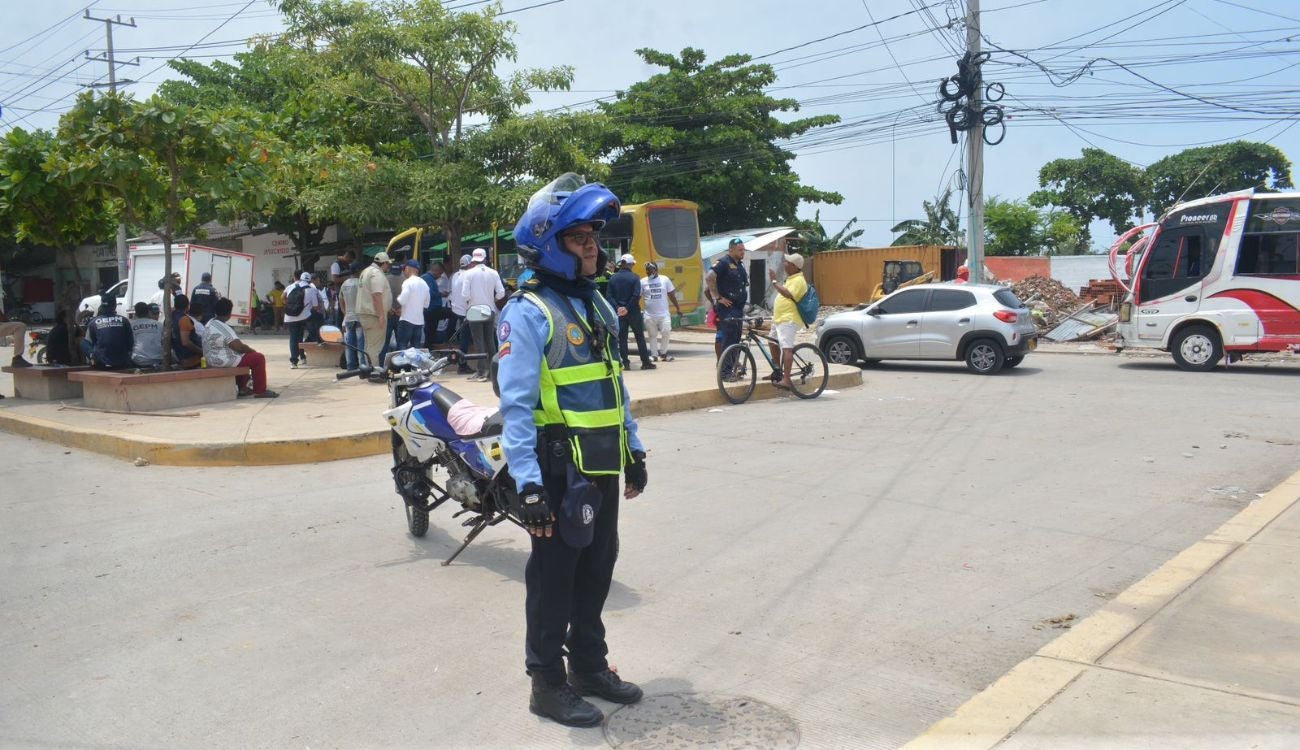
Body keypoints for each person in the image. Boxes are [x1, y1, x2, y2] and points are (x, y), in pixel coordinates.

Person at [496, 174, 648, 727]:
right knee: (554, 579)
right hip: (557, 470)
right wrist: (528, 482)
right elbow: (514, 405)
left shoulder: (597, 305)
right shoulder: (528, 312)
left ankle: (589, 667)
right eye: (578, 237)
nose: (593, 245)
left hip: (601, 463)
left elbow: (614, 382)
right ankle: (546, 684)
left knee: (597, 568)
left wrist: (634, 449)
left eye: (594, 236)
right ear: (547, 245)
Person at [203, 298, 278, 399]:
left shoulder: (210, 323)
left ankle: (243, 388)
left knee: (241, 357)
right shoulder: (223, 327)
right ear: (229, 313)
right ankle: (260, 391)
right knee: (258, 358)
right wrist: (252, 351)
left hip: (210, 359)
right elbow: (239, 347)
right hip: (221, 360)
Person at [461, 247, 506, 381]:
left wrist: (472, 300)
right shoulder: (493, 273)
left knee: (478, 341)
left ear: (473, 259)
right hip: (489, 309)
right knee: (490, 341)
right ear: (485, 259)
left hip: (474, 310)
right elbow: (501, 293)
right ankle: (494, 372)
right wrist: (492, 300)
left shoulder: (468, 274)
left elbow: (464, 295)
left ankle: (481, 371)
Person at [706, 238, 749, 375]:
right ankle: (725, 372)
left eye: (743, 250)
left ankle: (732, 369)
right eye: (740, 250)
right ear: (731, 250)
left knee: (736, 339)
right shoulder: (723, 262)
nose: (743, 252)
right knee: (728, 338)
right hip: (727, 308)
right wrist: (718, 298)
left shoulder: (740, 265)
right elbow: (709, 277)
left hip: (738, 308)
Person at [767, 253, 809, 390]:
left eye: (787, 262)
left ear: (794, 266)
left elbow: (788, 294)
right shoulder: (791, 278)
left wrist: (774, 282)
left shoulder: (799, 281)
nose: (784, 264)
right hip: (779, 318)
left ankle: (787, 379)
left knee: (786, 348)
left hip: (789, 319)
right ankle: (778, 371)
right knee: (772, 342)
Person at [606, 254, 655, 370]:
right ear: (630, 264)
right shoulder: (635, 277)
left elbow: (609, 296)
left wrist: (619, 308)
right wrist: (627, 308)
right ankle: (645, 362)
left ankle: (626, 363)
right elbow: (636, 295)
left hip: (619, 313)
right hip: (633, 312)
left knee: (622, 338)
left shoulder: (613, 278)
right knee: (639, 336)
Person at [355, 252, 394, 376]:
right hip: (374, 315)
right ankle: (374, 372)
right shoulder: (377, 274)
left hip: (366, 313)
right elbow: (376, 295)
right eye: (388, 264)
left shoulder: (366, 272)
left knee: (369, 344)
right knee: (375, 346)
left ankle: (369, 369)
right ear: (383, 263)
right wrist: (382, 315)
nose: (389, 267)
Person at [640, 262, 682, 362]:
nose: (649, 272)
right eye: (647, 271)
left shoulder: (665, 279)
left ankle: (663, 354)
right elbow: (637, 296)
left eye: (651, 270)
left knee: (666, 332)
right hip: (649, 315)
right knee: (652, 335)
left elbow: (671, 295)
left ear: (656, 270)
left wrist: (678, 308)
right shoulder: (642, 281)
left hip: (664, 314)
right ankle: (654, 355)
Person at [83, 299, 134, 370]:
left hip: (101, 364)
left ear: (101, 306)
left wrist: (93, 356)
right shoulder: (125, 321)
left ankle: (93, 361)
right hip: (122, 363)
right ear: (115, 306)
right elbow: (131, 344)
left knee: (83, 342)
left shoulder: (93, 322)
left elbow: (88, 342)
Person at [283, 272, 321, 368]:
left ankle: (294, 362)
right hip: (304, 317)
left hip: (289, 316)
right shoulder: (311, 289)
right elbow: (316, 307)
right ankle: (304, 355)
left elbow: (282, 297)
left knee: (294, 338)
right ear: (310, 280)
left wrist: (291, 306)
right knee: (312, 331)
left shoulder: (291, 286)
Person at [395, 259, 430, 350]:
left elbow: (402, 300)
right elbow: (426, 304)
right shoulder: (424, 283)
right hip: (419, 321)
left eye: (404, 269)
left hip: (406, 319)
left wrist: (399, 298)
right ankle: (415, 364)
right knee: (416, 347)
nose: (404, 271)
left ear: (407, 268)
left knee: (402, 345)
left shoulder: (408, 282)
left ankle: (403, 364)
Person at [338, 262, 365, 369]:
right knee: (361, 344)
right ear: (359, 271)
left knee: (349, 345)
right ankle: (362, 365)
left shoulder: (344, 284)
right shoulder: (361, 283)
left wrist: (345, 313)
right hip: (360, 318)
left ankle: (350, 366)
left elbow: (341, 301)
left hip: (349, 318)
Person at [449, 253, 473, 373]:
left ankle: (463, 364)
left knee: (465, 338)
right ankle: (462, 365)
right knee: (465, 340)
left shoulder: (455, 275)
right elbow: (468, 295)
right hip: (466, 311)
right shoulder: (468, 276)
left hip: (457, 310)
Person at [170, 294, 205, 369]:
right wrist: (201, 352)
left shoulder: (169, 318)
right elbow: (186, 342)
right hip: (191, 359)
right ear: (187, 306)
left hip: (179, 355)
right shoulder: (184, 319)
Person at [420, 260, 449, 348]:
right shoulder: (426, 278)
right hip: (431, 310)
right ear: (436, 270)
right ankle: (429, 347)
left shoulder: (430, 279)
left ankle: (430, 347)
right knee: (453, 314)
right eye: (440, 273)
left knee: (431, 331)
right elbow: (429, 293)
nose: (440, 276)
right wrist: (441, 294)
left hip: (433, 309)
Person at [130, 302, 164, 369]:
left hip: (139, 360)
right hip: (158, 358)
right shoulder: (160, 325)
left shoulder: (131, 325)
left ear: (135, 313)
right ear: (148, 312)